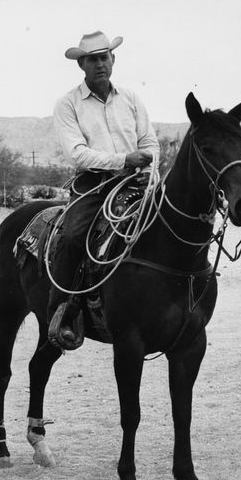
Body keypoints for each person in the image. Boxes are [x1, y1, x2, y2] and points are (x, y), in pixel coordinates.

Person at [50, 31, 160, 345]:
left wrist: (149, 169)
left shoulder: (131, 98)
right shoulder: (68, 104)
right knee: (72, 237)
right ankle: (65, 310)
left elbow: (149, 141)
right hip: (93, 189)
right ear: (81, 65)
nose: (100, 64)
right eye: (92, 59)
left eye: (104, 57)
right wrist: (123, 159)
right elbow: (77, 153)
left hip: (136, 183)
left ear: (113, 59)